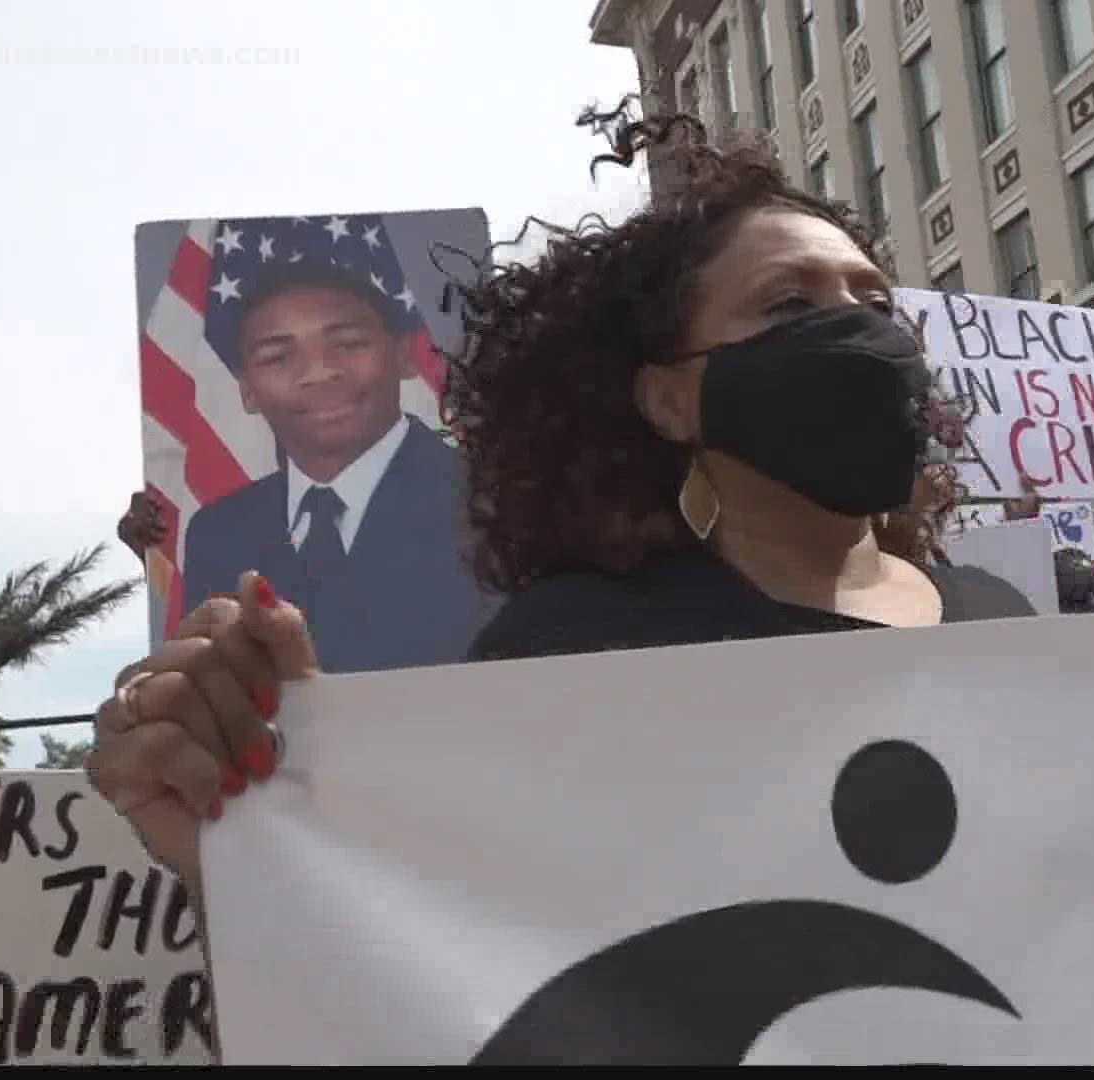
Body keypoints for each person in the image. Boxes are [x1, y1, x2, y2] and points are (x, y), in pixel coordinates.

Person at [87, 107, 1036, 893]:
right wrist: (250, 850)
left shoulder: (1009, 622)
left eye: (873, 305)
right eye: (789, 306)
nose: (852, 332)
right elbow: (469, 948)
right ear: (665, 397)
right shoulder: (575, 644)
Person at [122, 216, 498, 675]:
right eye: (278, 356)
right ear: (246, 389)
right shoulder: (216, 533)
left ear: (402, 354)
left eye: (348, 343)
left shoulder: (488, 499)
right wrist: (161, 561)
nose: (318, 372)